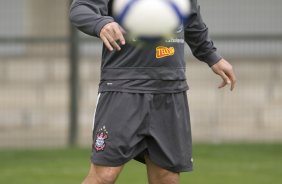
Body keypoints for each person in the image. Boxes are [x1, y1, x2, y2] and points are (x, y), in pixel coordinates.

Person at [70, 0, 236, 183]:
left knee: (167, 178)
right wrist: (101, 23)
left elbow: (191, 18)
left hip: (171, 88)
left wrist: (212, 56)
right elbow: (81, 8)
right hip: (124, 86)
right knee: (105, 175)